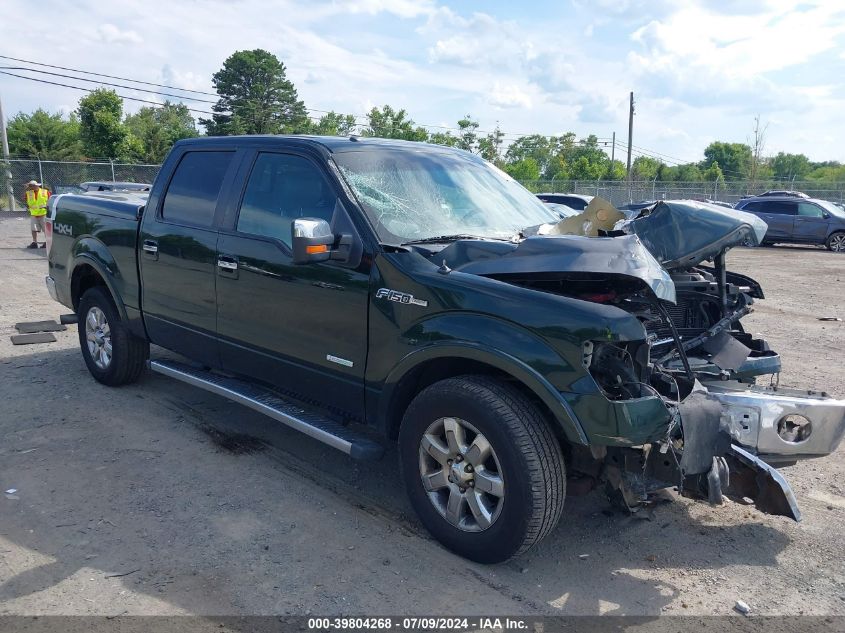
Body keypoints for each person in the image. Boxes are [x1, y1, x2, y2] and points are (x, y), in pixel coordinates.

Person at [24, 180, 50, 249]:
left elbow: (50, 200)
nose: (32, 187)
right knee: (33, 229)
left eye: (33, 185)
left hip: (43, 213)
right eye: (31, 186)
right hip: (34, 214)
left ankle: (47, 243)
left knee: (46, 230)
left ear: (37, 185)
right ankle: (34, 242)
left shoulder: (45, 191)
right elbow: (25, 200)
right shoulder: (28, 193)